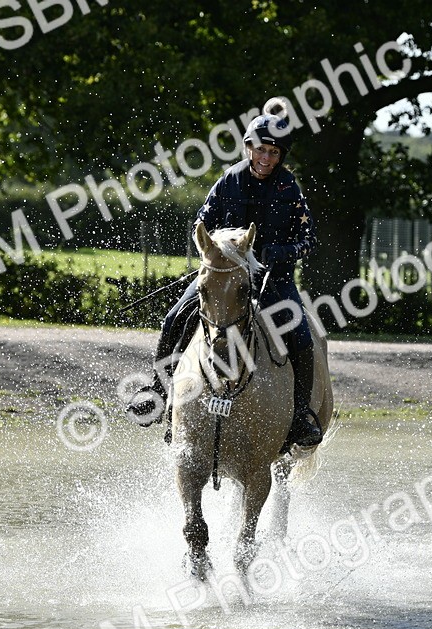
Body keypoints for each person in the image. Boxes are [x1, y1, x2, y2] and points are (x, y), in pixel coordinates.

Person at [127, 98, 323, 447]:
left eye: (274, 154)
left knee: (302, 334)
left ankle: (300, 416)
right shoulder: (229, 180)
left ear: (281, 157)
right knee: (175, 317)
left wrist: (273, 253)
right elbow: (201, 223)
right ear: (249, 147)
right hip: (224, 273)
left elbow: (308, 241)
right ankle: (158, 391)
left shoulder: (289, 188)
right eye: (261, 150)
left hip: (273, 277)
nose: (266, 159)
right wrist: (218, 251)